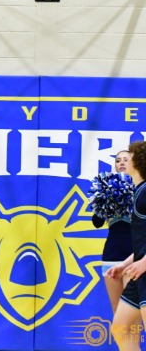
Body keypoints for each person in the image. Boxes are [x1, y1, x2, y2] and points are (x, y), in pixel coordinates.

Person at [108, 142, 146, 350]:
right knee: (120, 328)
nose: (124, 161)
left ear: (138, 161)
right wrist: (125, 265)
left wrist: (144, 263)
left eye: (128, 156)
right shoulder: (139, 191)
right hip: (139, 274)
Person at [92, 150, 134, 316]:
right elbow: (97, 222)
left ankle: (134, 336)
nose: (121, 163)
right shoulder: (108, 190)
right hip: (112, 254)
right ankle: (122, 336)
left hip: (135, 256)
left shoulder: (142, 189)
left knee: (132, 311)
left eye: (126, 159)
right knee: (117, 311)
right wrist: (104, 199)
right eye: (118, 160)